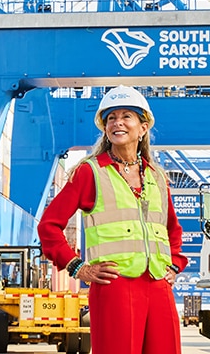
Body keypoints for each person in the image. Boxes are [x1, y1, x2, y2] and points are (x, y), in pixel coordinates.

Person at [37, 85, 188, 354]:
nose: (117, 122)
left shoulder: (157, 177)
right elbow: (49, 226)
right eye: (111, 118)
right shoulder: (89, 172)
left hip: (158, 285)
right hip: (115, 286)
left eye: (126, 116)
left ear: (143, 128)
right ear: (105, 128)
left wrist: (174, 265)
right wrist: (77, 268)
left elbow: (172, 229)